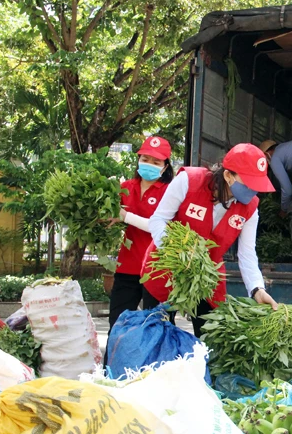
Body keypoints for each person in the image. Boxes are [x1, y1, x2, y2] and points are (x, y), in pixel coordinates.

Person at [142, 143, 279, 337]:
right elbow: (158, 219)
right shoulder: (189, 181)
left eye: (257, 185)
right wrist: (176, 252)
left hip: (206, 277)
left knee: (210, 340)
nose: (253, 190)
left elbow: (247, 253)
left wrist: (257, 289)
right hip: (167, 269)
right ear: (228, 175)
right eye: (248, 184)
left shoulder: (250, 208)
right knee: (157, 336)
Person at [107, 136, 174, 331]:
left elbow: (161, 228)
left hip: (158, 269)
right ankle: (112, 362)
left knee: (157, 328)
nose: (149, 165)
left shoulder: (170, 192)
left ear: (165, 166)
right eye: (145, 160)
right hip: (127, 266)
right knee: (118, 325)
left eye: (156, 162)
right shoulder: (126, 187)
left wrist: (125, 216)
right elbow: (113, 216)